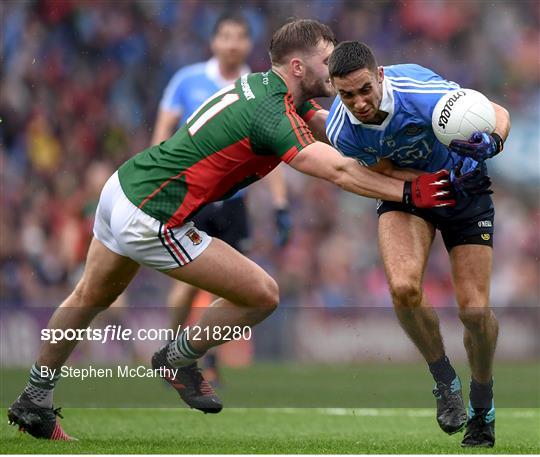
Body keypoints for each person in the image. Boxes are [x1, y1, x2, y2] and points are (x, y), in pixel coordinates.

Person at [8, 20, 461, 441]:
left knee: (88, 297)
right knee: (262, 294)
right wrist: (407, 194)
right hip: (152, 213)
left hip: (123, 188)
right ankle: (178, 358)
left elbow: (334, 132)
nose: (336, 63)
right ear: (298, 66)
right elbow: (338, 171)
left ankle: (34, 397)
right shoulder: (271, 111)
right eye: (327, 58)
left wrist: (405, 153)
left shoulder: (270, 90)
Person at [326, 41, 510, 448]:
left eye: (363, 90)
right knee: (404, 288)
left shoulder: (422, 91)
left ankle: (483, 404)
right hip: (411, 196)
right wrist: (423, 186)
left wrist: (491, 144)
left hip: (467, 191)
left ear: (380, 76)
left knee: (475, 311)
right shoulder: (341, 130)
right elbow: (384, 172)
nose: (357, 103)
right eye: (346, 95)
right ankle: (444, 381)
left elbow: (498, 113)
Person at [152, 13, 292, 384]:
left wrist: (280, 204)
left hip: (233, 203)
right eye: (225, 36)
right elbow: (163, 133)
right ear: (213, 42)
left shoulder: (259, 87)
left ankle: (202, 356)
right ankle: (171, 347)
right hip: (192, 197)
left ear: (249, 44)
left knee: (229, 284)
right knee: (186, 282)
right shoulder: (188, 80)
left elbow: (271, 153)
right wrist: (161, 180)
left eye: (239, 37)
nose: (231, 44)